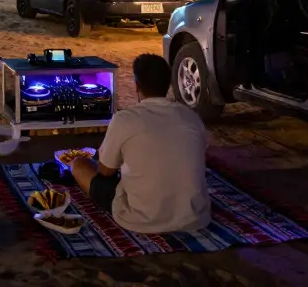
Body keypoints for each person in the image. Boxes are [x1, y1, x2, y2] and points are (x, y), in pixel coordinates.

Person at [70, 54, 210, 234]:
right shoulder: (191, 117)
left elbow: (105, 172)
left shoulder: (125, 119)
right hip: (194, 217)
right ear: (168, 85)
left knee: (78, 164)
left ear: (137, 86)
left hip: (139, 219)